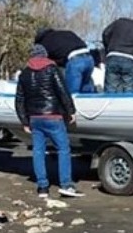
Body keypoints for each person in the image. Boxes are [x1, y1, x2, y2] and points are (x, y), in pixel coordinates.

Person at [15, 44, 84, 199]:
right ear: (45, 55)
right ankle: (66, 184)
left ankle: (42, 187)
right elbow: (62, 91)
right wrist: (71, 110)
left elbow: (19, 99)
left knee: (38, 151)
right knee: (63, 149)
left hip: (34, 118)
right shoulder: (52, 69)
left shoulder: (24, 74)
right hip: (53, 115)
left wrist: (24, 121)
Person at [34, 27, 96, 94]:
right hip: (89, 58)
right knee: (86, 92)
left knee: (72, 94)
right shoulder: (66, 33)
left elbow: (45, 62)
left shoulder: (44, 43)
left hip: (75, 60)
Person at [102, 15, 133, 92]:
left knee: (110, 90)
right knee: (129, 92)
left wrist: (108, 49)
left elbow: (105, 34)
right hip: (131, 60)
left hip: (113, 56)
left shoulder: (120, 22)